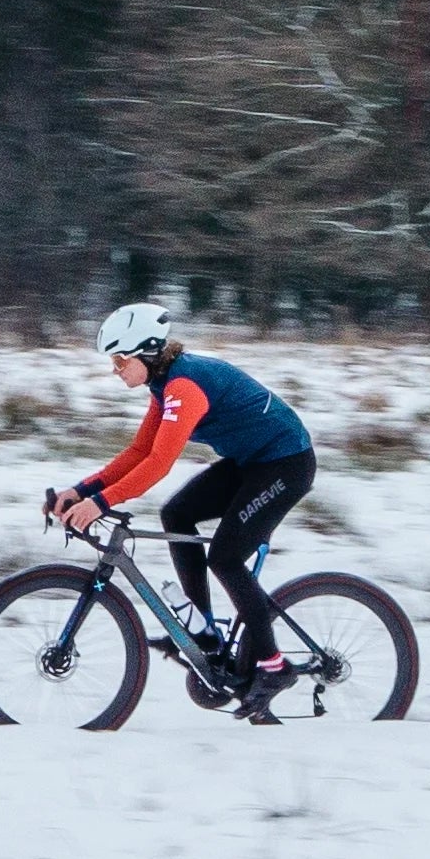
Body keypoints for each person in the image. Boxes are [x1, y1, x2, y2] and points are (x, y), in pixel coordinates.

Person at [52, 303, 317, 722]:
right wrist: (81, 490)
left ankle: (273, 666)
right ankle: (204, 632)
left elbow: (159, 464)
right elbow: (140, 452)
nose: (115, 370)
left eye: (119, 360)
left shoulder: (184, 387)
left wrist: (100, 503)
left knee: (226, 558)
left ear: (145, 352)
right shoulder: (163, 386)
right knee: (176, 513)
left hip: (286, 465)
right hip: (252, 462)